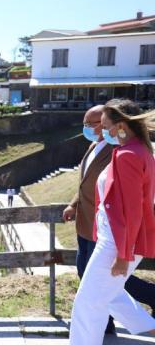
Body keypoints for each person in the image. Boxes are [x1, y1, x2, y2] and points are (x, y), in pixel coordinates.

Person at [69, 100, 155, 344]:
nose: (101, 131)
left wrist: (123, 254)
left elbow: (131, 211)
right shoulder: (139, 151)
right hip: (115, 240)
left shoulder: (128, 155)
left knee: (88, 305)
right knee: (109, 294)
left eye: (105, 126)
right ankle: (150, 328)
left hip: (116, 243)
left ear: (121, 126)